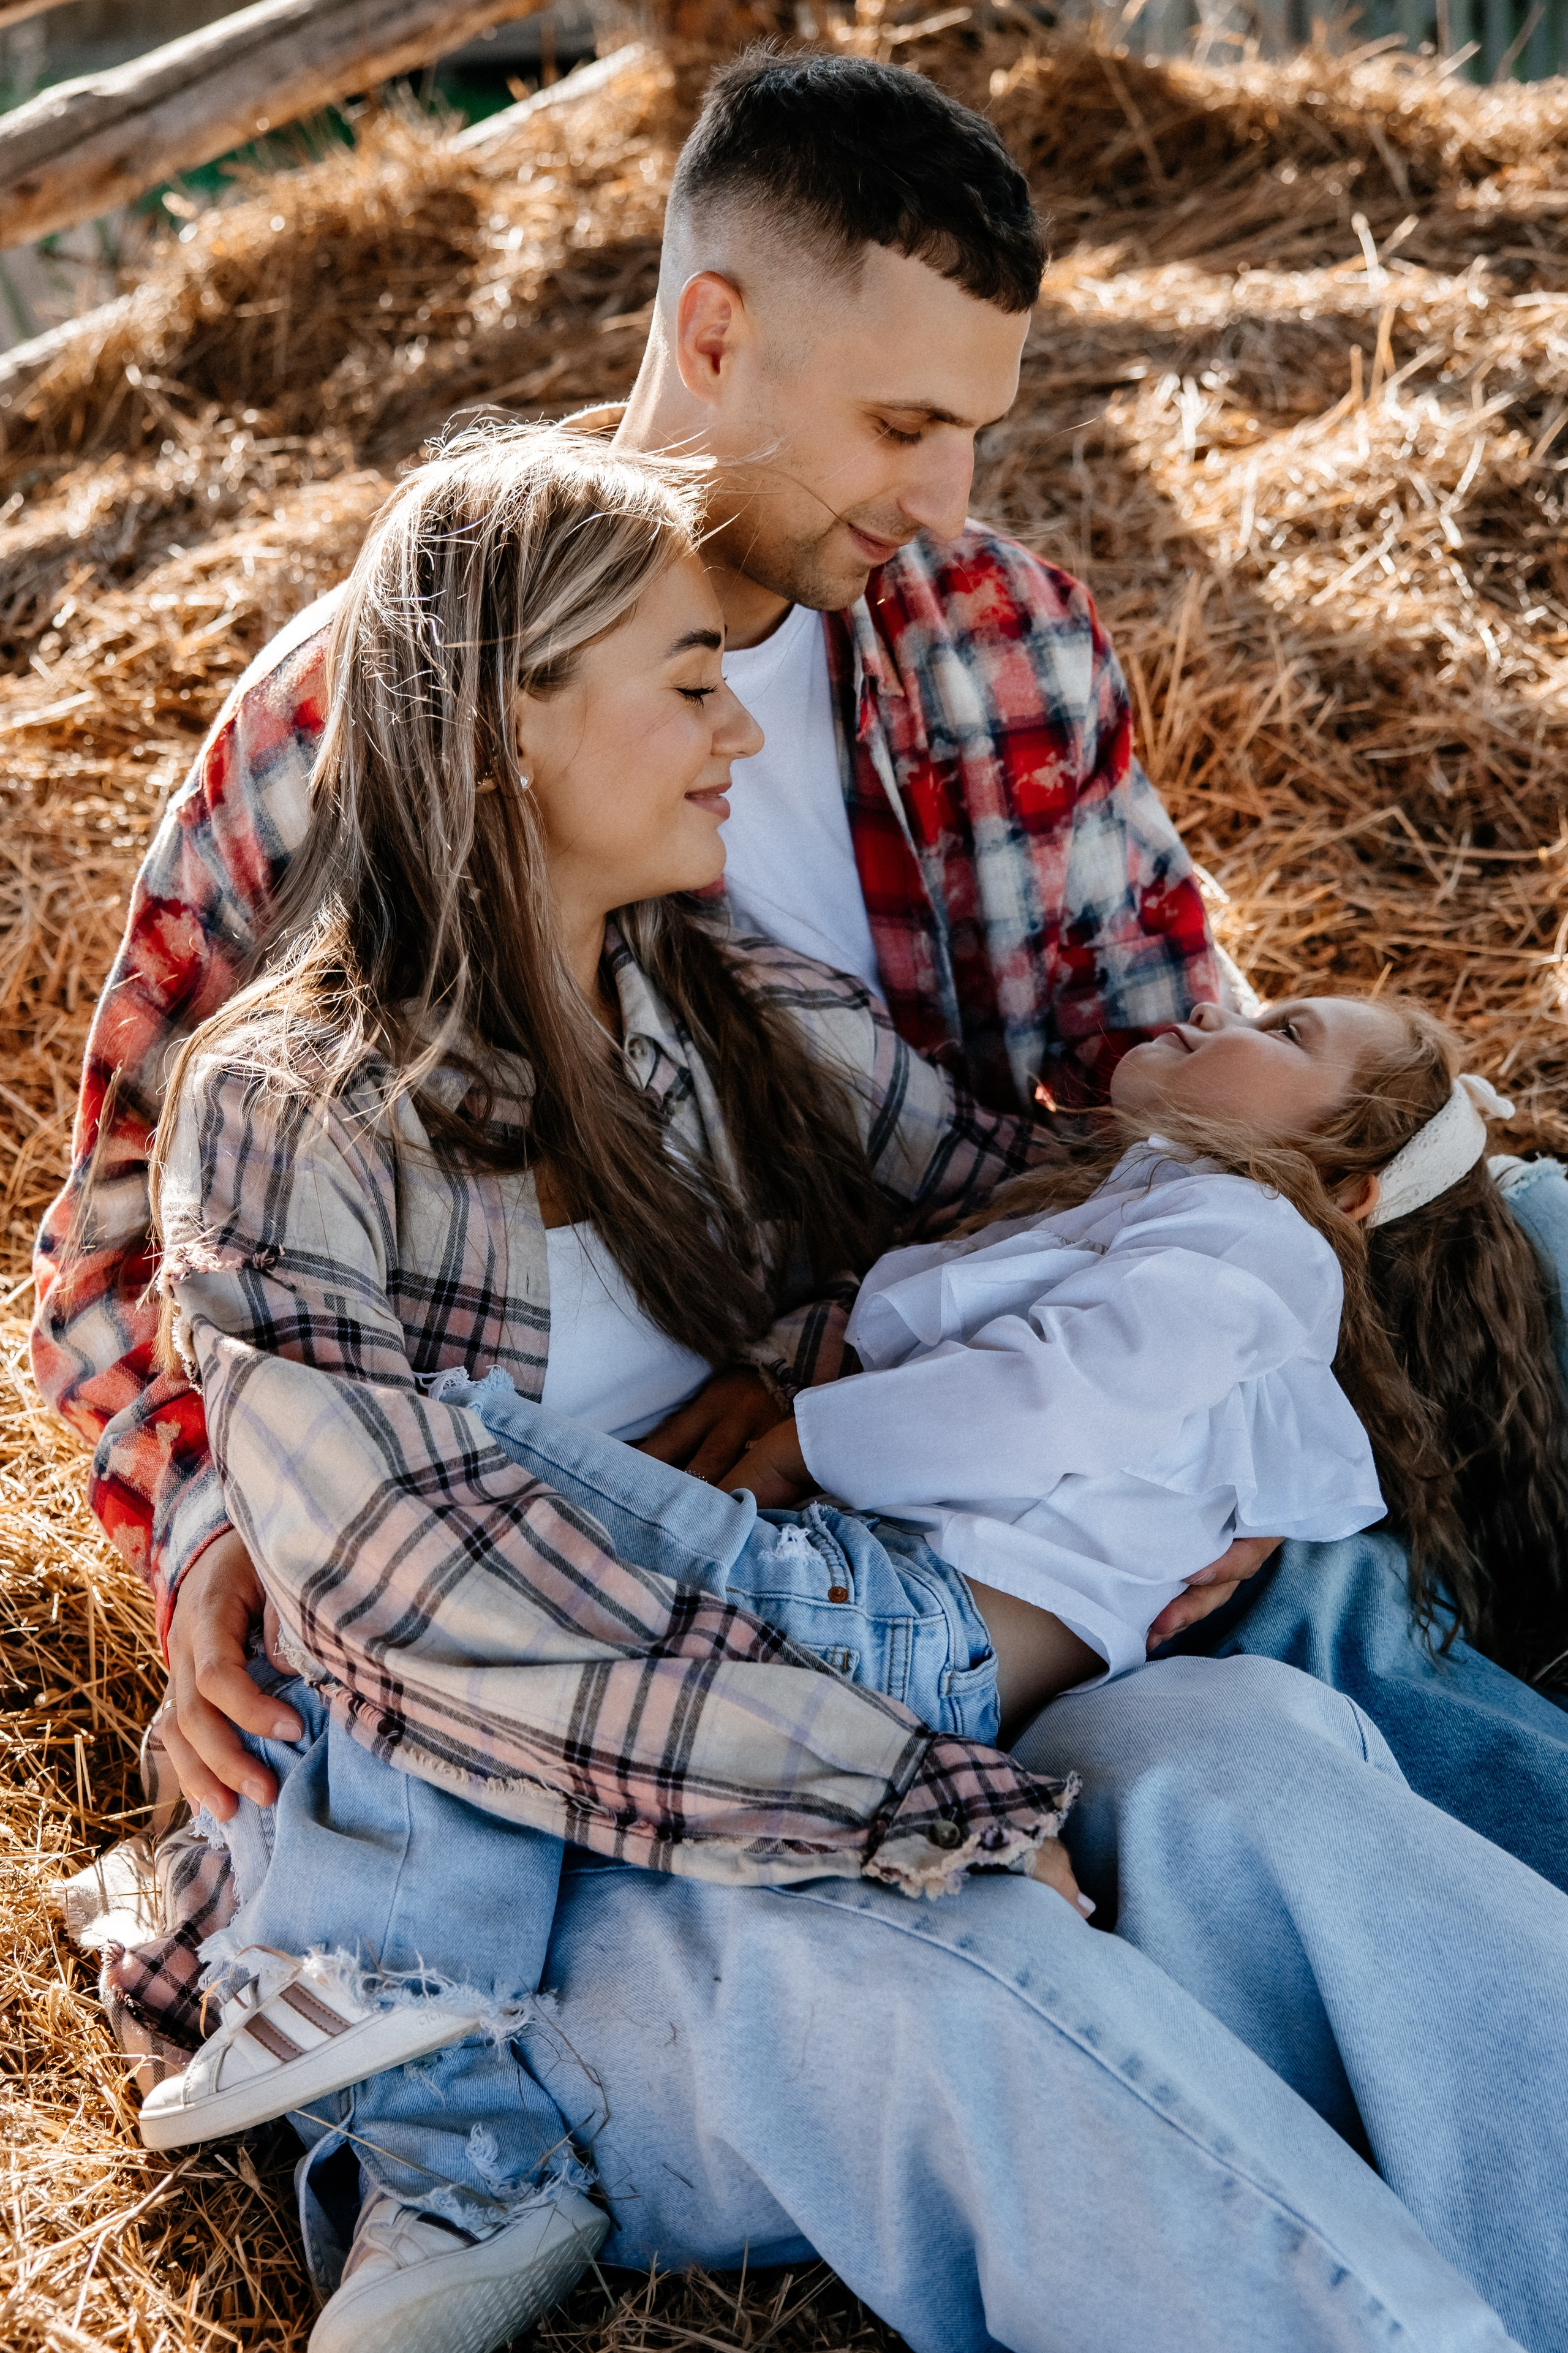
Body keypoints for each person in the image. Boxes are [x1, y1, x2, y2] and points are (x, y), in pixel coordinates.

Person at [111, 425, 1568, 2353]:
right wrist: (915, 1790)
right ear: (503, 731)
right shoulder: (291, 1106)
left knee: (1261, 1772)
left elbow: (1002, 1218)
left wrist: (1192, 1459)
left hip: (857, 1663)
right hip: (540, 1851)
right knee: (959, 1964)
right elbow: (416, 1594)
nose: (744, 733)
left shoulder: (722, 1000)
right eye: (692, 681)